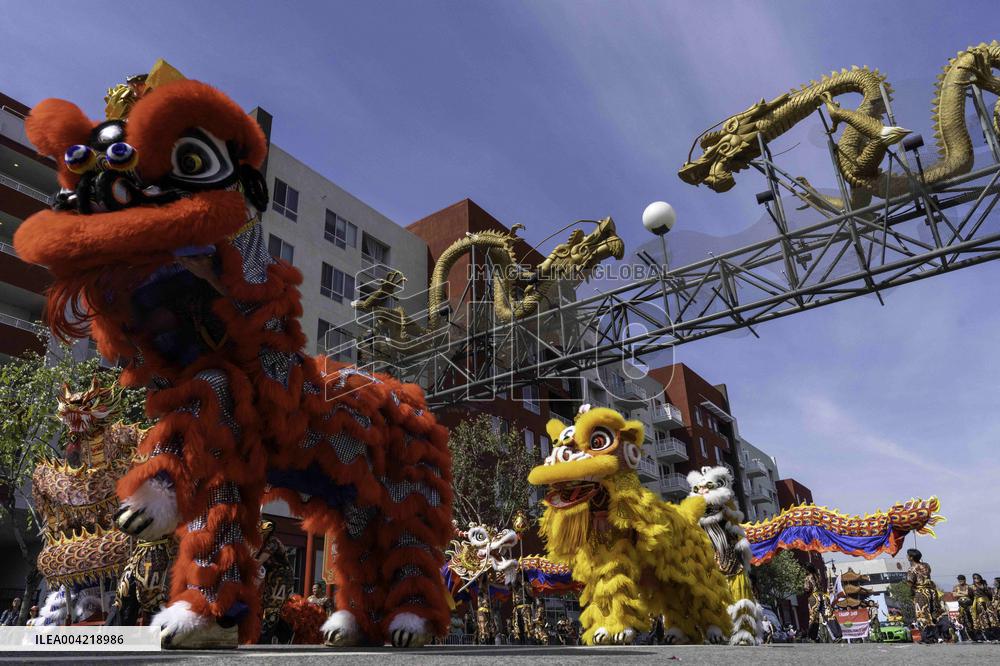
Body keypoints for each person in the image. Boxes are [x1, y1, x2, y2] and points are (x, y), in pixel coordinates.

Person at [906, 549, 940, 632]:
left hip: (921, 593)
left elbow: (910, 583)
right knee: (933, 612)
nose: (906, 557)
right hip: (932, 592)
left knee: (922, 614)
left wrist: (911, 594)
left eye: (908, 555)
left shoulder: (911, 569)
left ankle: (928, 635)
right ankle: (937, 634)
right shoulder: (926, 565)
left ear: (911, 557)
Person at [971, 573, 998, 641]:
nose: (976, 579)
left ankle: (997, 636)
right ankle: (989, 637)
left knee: (992, 619)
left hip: (988, 603)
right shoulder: (971, 587)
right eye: (975, 578)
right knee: (983, 619)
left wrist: (984, 589)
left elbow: (990, 595)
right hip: (979, 604)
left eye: (978, 578)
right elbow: (971, 596)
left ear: (980, 578)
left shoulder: (985, 585)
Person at [803, 564, 825, 642]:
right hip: (820, 596)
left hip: (813, 597)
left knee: (812, 617)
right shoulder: (817, 576)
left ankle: (809, 635)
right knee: (817, 618)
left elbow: (807, 588)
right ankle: (814, 636)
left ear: (808, 570)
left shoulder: (808, 577)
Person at [953, 575, 977, 640]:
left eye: (961, 580)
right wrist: (964, 594)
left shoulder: (969, 586)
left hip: (970, 606)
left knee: (972, 621)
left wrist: (960, 592)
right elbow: (954, 595)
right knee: (963, 621)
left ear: (965, 580)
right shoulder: (956, 587)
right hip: (961, 607)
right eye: (959, 580)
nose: (960, 581)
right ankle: (968, 636)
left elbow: (969, 594)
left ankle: (975, 635)